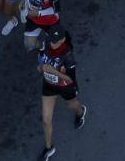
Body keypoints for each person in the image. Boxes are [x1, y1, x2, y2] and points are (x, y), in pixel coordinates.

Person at [34, 26, 88, 159]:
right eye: (51, 40)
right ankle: (49, 147)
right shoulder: (46, 44)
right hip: (49, 85)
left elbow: (70, 79)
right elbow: (40, 63)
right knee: (46, 120)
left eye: (55, 41)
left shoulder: (68, 55)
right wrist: (41, 67)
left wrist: (54, 71)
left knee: (72, 105)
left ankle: (80, 112)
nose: (52, 43)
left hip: (64, 87)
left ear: (63, 40)